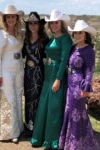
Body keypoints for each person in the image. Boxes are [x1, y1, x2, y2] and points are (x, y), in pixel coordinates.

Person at [30, 9, 73, 149]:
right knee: (45, 105)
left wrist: (58, 79)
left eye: (56, 22)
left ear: (61, 23)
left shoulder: (65, 38)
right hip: (48, 75)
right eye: (52, 23)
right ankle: (41, 137)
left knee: (54, 107)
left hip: (56, 74)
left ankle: (53, 140)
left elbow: (64, 60)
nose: (54, 25)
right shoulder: (53, 37)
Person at [59, 20, 100, 150]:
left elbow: (90, 70)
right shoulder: (73, 47)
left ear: (85, 34)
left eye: (80, 33)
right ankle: (70, 142)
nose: (77, 35)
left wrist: (86, 89)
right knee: (70, 112)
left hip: (79, 88)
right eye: (75, 33)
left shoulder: (89, 51)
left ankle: (76, 144)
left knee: (77, 113)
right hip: (70, 85)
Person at [0, 5, 24, 143]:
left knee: (17, 97)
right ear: (4, 19)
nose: (11, 19)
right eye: (8, 17)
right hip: (6, 70)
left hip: (18, 69)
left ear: (17, 18)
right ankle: (9, 133)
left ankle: (18, 128)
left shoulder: (19, 32)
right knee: (9, 98)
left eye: (13, 16)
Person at [22, 12, 49, 138]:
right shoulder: (25, 39)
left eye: (35, 23)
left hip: (39, 75)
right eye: (30, 23)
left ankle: (37, 128)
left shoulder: (45, 40)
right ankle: (28, 127)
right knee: (28, 100)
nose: (33, 25)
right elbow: (21, 55)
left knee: (37, 100)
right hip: (27, 73)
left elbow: (48, 57)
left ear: (39, 25)